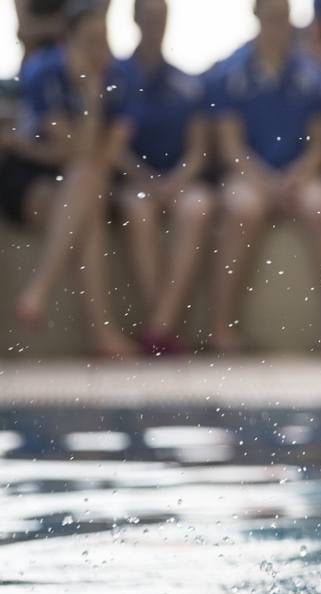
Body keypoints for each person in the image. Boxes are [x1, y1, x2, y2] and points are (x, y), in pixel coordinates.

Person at [208, 0, 321, 353]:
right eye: (271, 17)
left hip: (297, 173)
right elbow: (231, 148)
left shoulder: (311, 73)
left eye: (284, 18)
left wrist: (295, 176)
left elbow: (320, 146)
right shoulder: (232, 73)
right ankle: (221, 328)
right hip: (250, 174)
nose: (278, 25)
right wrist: (264, 180)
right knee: (243, 209)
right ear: (256, 17)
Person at [5, 0, 137, 357]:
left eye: (103, 41)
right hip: (29, 181)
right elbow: (76, 150)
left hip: (78, 181)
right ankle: (100, 331)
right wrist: (89, 98)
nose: (98, 51)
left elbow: (104, 155)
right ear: (68, 42)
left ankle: (40, 293)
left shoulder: (119, 77)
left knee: (87, 191)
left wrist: (91, 93)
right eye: (89, 42)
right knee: (86, 191)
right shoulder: (43, 72)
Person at [113, 0, 215, 356]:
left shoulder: (185, 83)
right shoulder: (116, 77)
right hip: (135, 182)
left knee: (199, 207)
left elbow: (199, 149)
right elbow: (110, 146)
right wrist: (145, 179)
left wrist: (175, 181)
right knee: (138, 210)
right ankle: (164, 327)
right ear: (136, 20)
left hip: (178, 182)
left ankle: (159, 326)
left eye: (162, 18)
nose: (156, 25)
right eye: (150, 18)